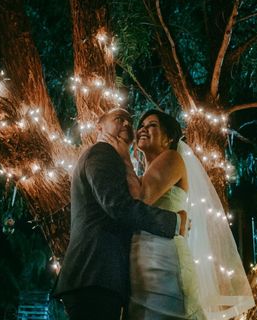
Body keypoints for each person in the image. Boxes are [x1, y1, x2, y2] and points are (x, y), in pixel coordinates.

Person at [53, 108, 187, 320]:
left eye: (129, 121)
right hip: (95, 274)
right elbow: (118, 206)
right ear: (100, 128)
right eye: (119, 119)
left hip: (113, 274)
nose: (128, 124)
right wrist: (174, 221)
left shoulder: (168, 159)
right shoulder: (102, 153)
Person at [121, 109, 255, 320]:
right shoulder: (144, 174)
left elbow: (141, 199)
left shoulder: (171, 158)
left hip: (164, 261)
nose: (143, 129)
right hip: (142, 262)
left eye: (152, 125)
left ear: (169, 137)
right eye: (142, 125)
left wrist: (121, 150)